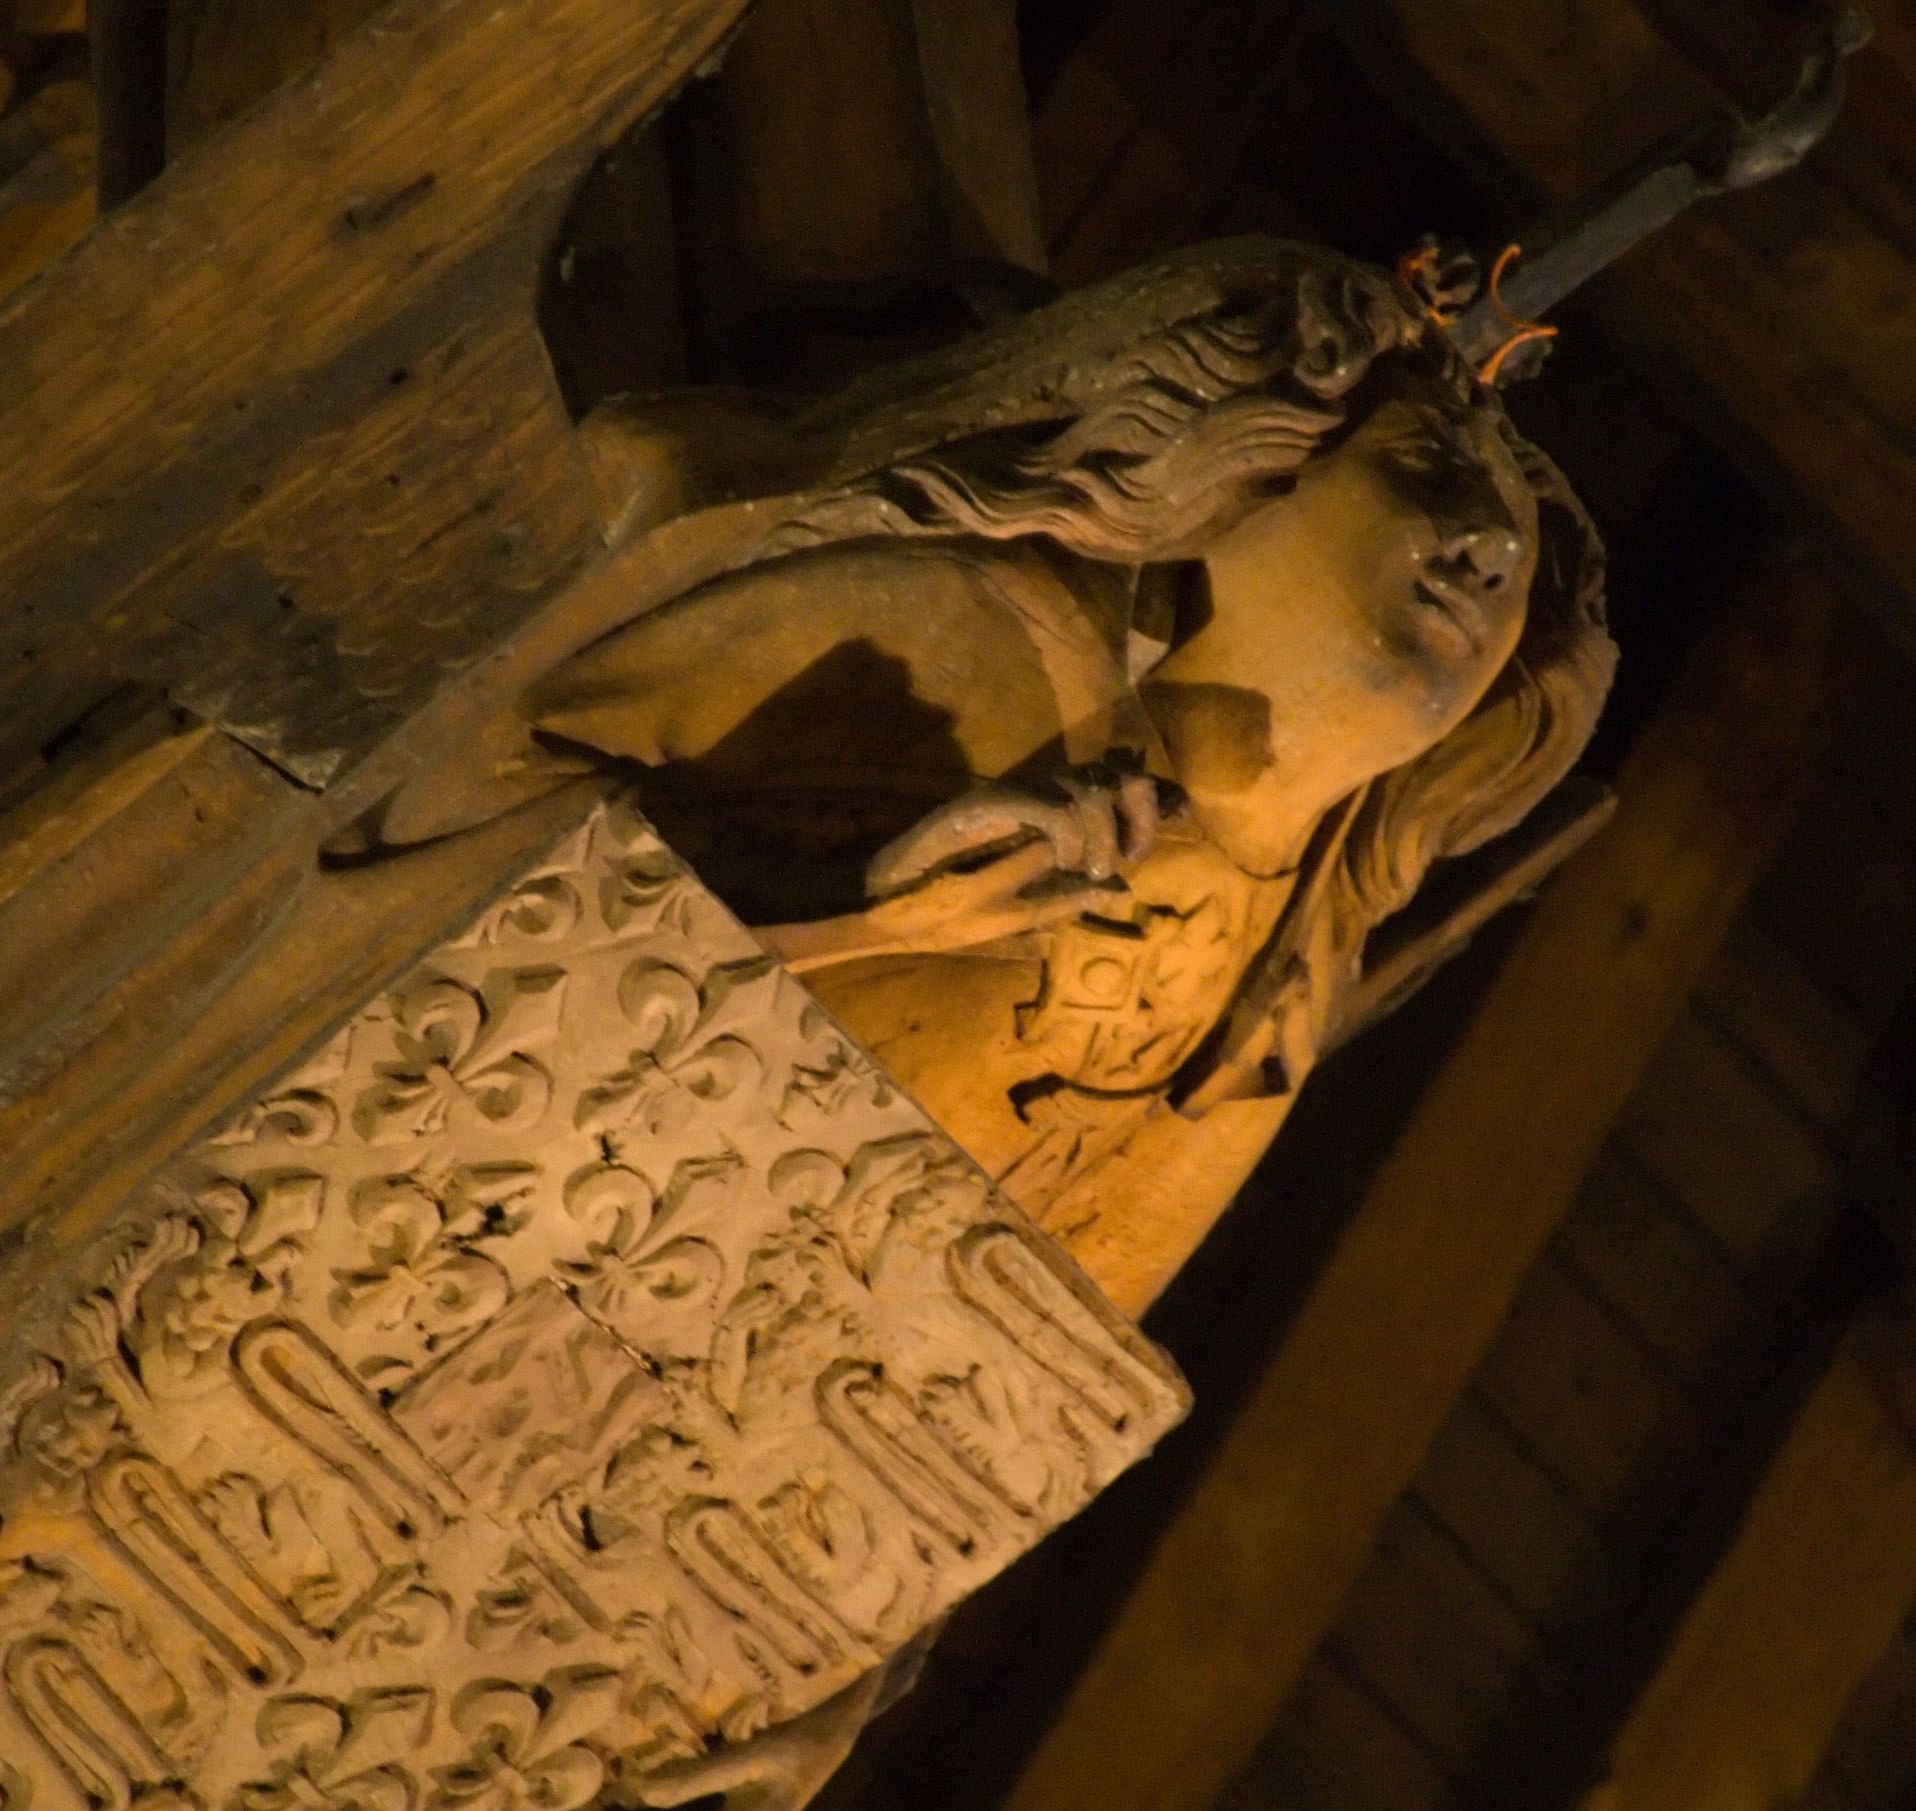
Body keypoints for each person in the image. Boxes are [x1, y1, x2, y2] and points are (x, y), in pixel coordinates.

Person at [496, 236, 1615, 1316]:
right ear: (1254, 458)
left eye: (1514, 543)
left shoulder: (1289, 979)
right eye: (1427, 468)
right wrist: (861, 917)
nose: (1492, 550)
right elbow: (477, 815)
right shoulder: (943, 633)